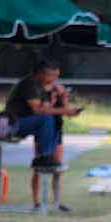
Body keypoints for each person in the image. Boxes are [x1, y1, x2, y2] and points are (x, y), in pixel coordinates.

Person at [4, 59, 75, 169]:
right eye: (52, 76)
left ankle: (48, 156)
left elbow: (47, 108)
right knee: (45, 119)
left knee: (52, 120)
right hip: (13, 122)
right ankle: (45, 156)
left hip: (28, 122)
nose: (55, 79)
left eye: (57, 76)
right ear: (41, 73)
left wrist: (63, 96)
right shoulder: (30, 84)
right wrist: (65, 111)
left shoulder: (41, 86)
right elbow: (38, 110)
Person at [31, 81, 79, 211]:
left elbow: (66, 110)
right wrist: (51, 96)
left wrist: (63, 96)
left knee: (57, 167)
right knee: (38, 168)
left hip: (57, 132)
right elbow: (44, 111)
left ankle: (57, 202)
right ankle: (36, 202)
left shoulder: (60, 96)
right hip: (42, 134)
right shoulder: (43, 96)